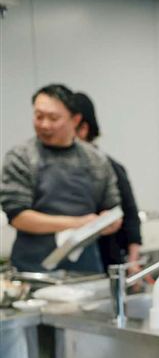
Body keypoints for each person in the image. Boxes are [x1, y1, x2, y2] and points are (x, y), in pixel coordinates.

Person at [0, 84, 121, 273]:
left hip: (86, 270)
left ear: (75, 119)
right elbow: (18, 216)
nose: (44, 124)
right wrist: (79, 223)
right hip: (33, 270)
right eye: (39, 116)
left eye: (53, 118)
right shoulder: (21, 156)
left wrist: (109, 221)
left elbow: (112, 207)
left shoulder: (95, 159)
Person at [72, 92, 143, 275]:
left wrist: (133, 263)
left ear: (83, 129)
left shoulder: (109, 167)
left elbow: (131, 217)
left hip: (106, 265)